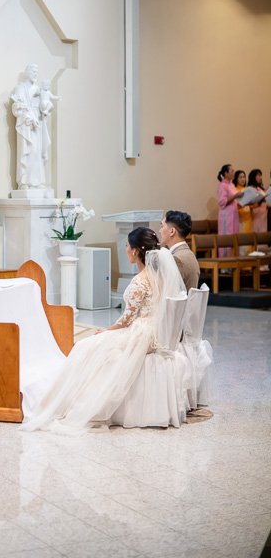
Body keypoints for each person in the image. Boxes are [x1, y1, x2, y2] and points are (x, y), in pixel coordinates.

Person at [21, 228, 186, 434]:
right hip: (155, 331)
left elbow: (126, 320)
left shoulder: (140, 281)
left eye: (127, 246)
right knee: (94, 345)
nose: (125, 250)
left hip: (142, 333)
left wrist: (107, 331)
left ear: (135, 252)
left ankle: (78, 403)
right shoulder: (161, 277)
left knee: (86, 346)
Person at [11, 65, 51, 189]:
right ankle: (24, 181)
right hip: (26, 124)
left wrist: (45, 109)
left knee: (37, 152)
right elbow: (17, 107)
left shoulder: (38, 89)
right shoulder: (21, 88)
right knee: (27, 150)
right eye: (33, 72)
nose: (35, 74)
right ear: (27, 73)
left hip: (37, 122)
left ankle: (37, 181)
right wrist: (28, 117)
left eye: (37, 72)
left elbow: (43, 105)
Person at [159, 210, 200, 291]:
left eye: (162, 226)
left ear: (172, 231)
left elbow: (167, 292)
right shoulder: (189, 253)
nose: (160, 231)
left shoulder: (177, 259)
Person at [217, 164, 243, 256]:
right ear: (225, 173)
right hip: (226, 215)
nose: (233, 173)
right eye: (231, 171)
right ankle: (225, 265)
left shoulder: (231, 184)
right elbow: (222, 202)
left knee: (234, 236)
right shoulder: (223, 185)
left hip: (234, 214)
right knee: (227, 237)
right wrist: (236, 196)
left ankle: (234, 261)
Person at [248, 168, 268, 233]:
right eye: (259, 175)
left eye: (261, 175)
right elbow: (249, 203)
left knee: (263, 232)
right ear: (253, 177)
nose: (261, 178)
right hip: (256, 213)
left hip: (263, 213)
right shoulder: (250, 188)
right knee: (257, 231)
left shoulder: (260, 188)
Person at [234, 170, 252, 234]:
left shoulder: (248, 189)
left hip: (248, 215)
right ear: (236, 179)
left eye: (244, 177)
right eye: (240, 177)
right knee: (242, 236)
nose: (243, 179)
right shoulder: (234, 190)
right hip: (239, 215)